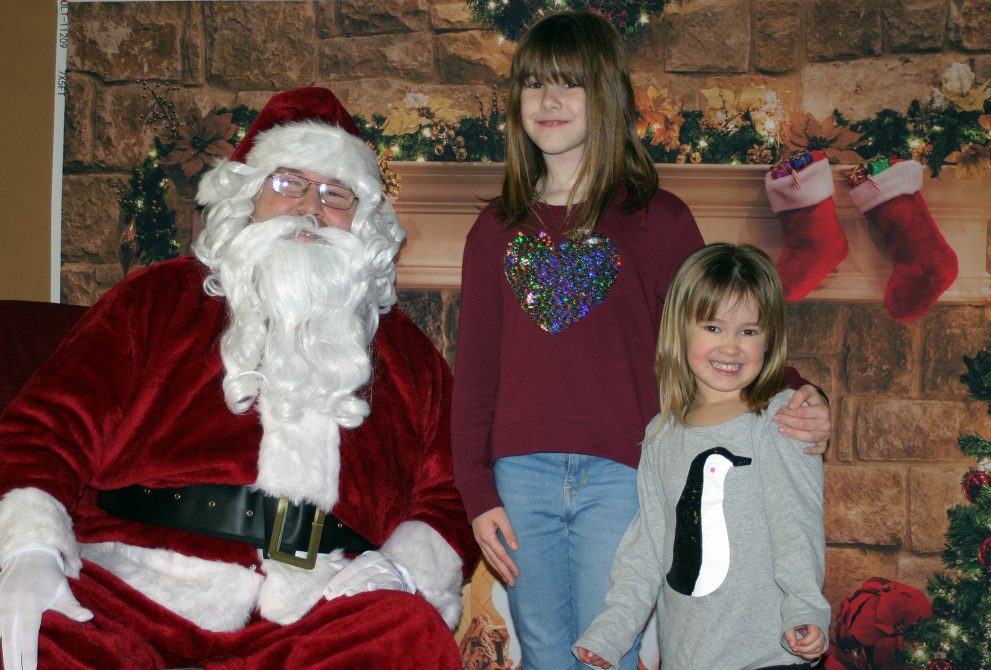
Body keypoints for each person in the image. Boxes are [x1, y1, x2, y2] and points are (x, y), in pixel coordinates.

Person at [0, 87, 478, 669]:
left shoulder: (407, 353)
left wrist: (402, 569)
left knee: (404, 634)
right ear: (246, 196)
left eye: (335, 194)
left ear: (364, 221)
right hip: (134, 584)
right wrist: (28, 545)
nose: (309, 208)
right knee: (34, 624)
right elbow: (49, 426)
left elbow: (453, 491)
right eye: (287, 183)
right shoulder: (158, 298)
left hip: (315, 610)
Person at [451, 11, 831, 670]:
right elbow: (475, 375)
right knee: (543, 652)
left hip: (624, 474)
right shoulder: (494, 230)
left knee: (610, 647)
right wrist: (477, 494)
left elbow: (720, 326)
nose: (549, 100)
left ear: (605, 97)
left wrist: (800, 392)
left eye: (569, 85)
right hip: (521, 481)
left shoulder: (658, 220)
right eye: (535, 84)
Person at [574, 243, 830, 670]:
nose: (730, 347)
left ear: (769, 339)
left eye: (748, 331)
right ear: (681, 330)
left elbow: (797, 525)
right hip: (688, 656)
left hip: (769, 654)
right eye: (713, 327)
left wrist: (806, 608)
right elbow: (648, 547)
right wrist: (613, 629)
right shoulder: (660, 435)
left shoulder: (779, 419)